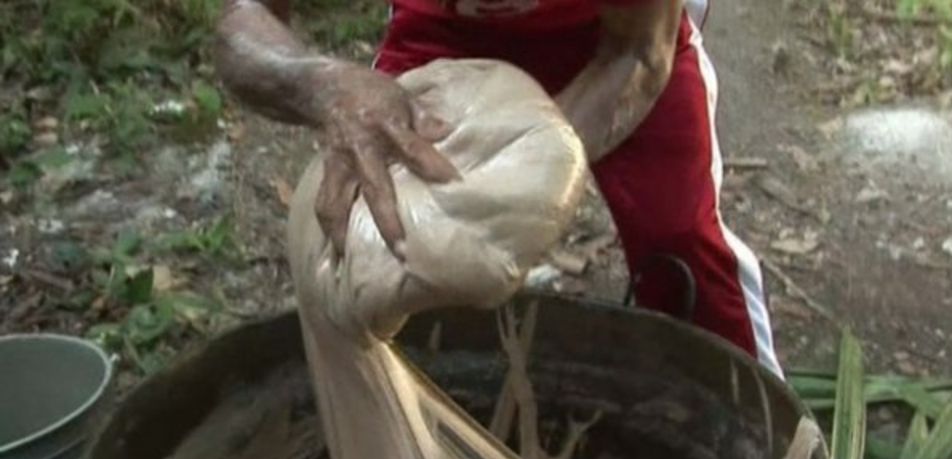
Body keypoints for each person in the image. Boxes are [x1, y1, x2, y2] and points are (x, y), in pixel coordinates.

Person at [214, 0, 782, 377]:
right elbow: (245, 15)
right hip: (447, 30)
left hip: (620, 32)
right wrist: (323, 85)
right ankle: (421, 440)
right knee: (378, 245)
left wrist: (530, 172)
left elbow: (639, 52)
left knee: (676, 232)